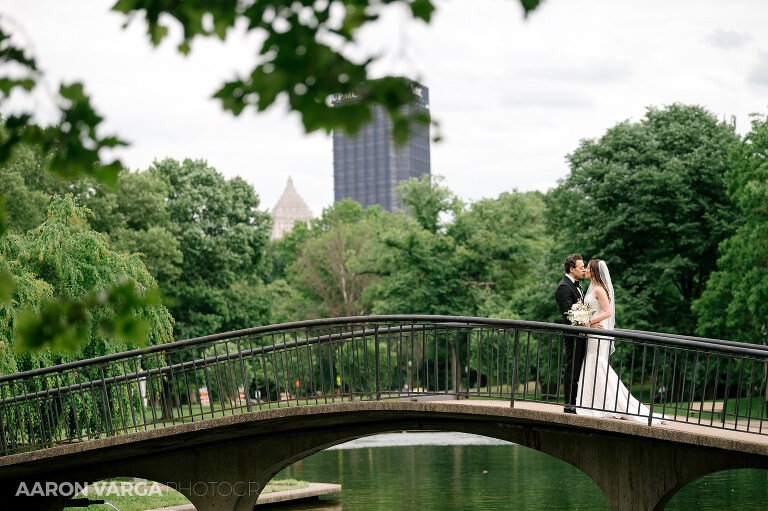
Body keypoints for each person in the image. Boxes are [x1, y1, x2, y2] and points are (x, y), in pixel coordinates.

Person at [575, 259, 664, 424]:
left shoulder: (600, 290)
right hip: (592, 332)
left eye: (588, 267)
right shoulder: (592, 288)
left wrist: (589, 322)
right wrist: (586, 320)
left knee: (597, 363)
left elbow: (608, 312)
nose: (585, 269)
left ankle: (607, 404)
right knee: (594, 364)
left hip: (597, 333)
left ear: (594, 271)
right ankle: (595, 403)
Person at [554, 254, 602, 414]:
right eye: (581, 267)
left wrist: (591, 322)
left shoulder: (578, 285)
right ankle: (569, 404)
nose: (584, 270)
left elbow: (581, 310)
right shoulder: (563, 287)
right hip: (573, 335)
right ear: (571, 269)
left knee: (578, 369)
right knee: (572, 369)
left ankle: (576, 402)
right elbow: (569, 313)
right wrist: (589, 323)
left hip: (582, 333)